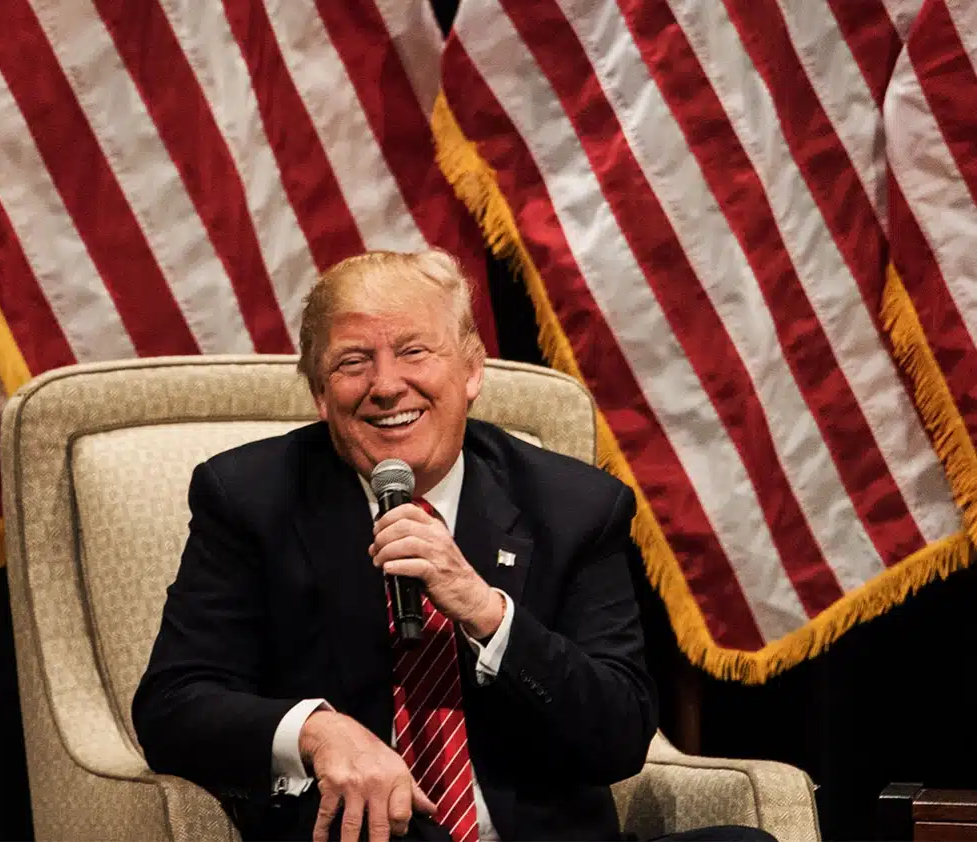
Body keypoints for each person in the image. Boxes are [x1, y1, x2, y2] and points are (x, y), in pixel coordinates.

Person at [133, 250, 775, 842]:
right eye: (353, 362)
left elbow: (620, 736)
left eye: (414, 351)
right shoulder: (250, 498)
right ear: (321, 396)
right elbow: (173, 706)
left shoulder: (574, 506)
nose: (387, 385)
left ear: (471, 370)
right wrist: (317, 731)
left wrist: (488, 614)